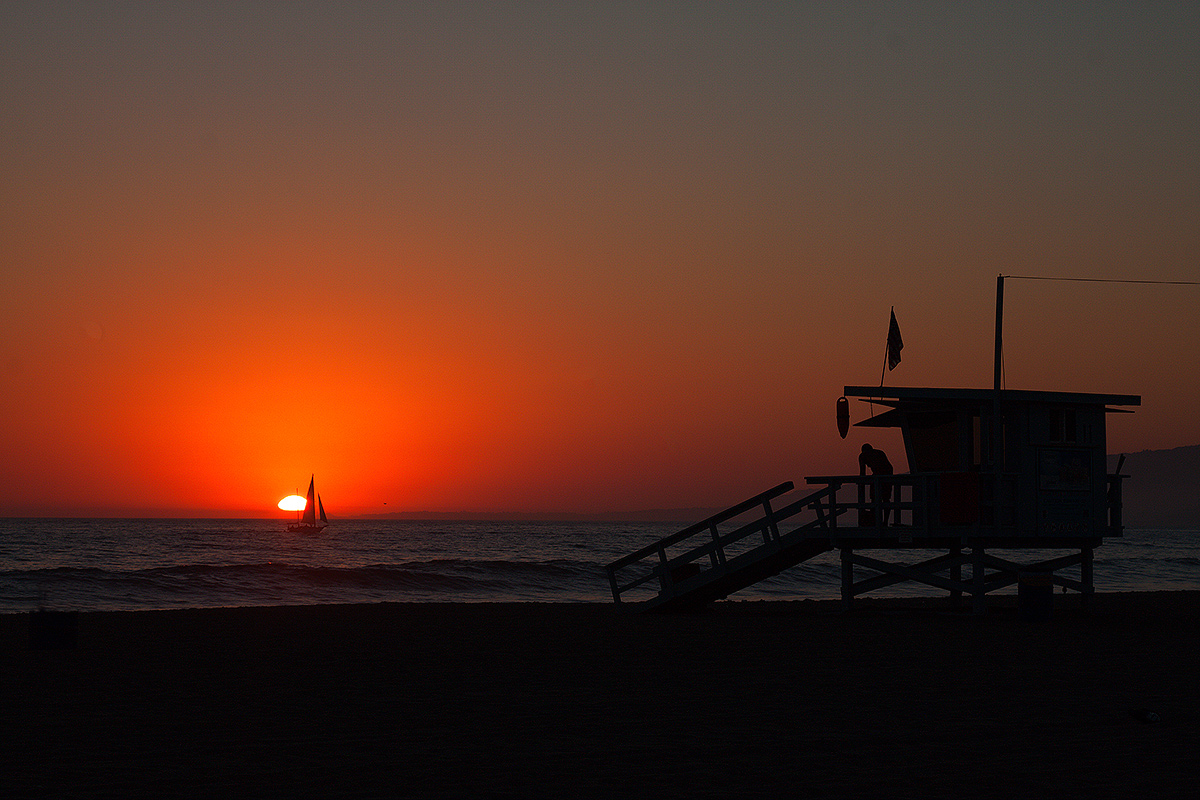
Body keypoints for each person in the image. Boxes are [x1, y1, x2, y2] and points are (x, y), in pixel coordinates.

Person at [859, 444, 894, 526]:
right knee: (886, 499)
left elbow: (862, 473)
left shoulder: (863, 455)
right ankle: (884, 522)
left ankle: (877, 522)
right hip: (888, 474)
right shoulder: (879, 453)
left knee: (874, 499)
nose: (868, 465)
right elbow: (887, 467)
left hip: (879, 475)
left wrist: (862, 483)